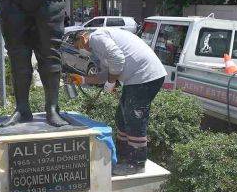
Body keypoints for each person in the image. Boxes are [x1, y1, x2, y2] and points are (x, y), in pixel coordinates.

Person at [68, 28, 167, 175]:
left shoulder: (97, 37)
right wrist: (83, 79)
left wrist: (111, 81)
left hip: (145, 76)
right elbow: (106, 73)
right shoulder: (98, 47)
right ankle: (123, 158)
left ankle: (136, 164)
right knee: (121, 118)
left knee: (134, 118)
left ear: (83, 38)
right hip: (136, 79)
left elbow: (118, 59)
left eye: (78, 46)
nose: (80, 50)